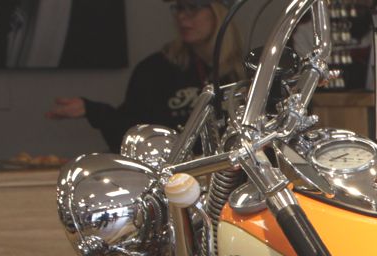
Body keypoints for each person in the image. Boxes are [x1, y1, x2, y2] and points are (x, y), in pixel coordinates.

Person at [46, 0, 245, 153]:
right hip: (175, 182)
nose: (182, 17)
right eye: (178, 8)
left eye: (192, 7)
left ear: (218, 11)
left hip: (230, 180)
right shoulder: (155, 70)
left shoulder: (245, 71)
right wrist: (92, 110)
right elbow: (131, 134)